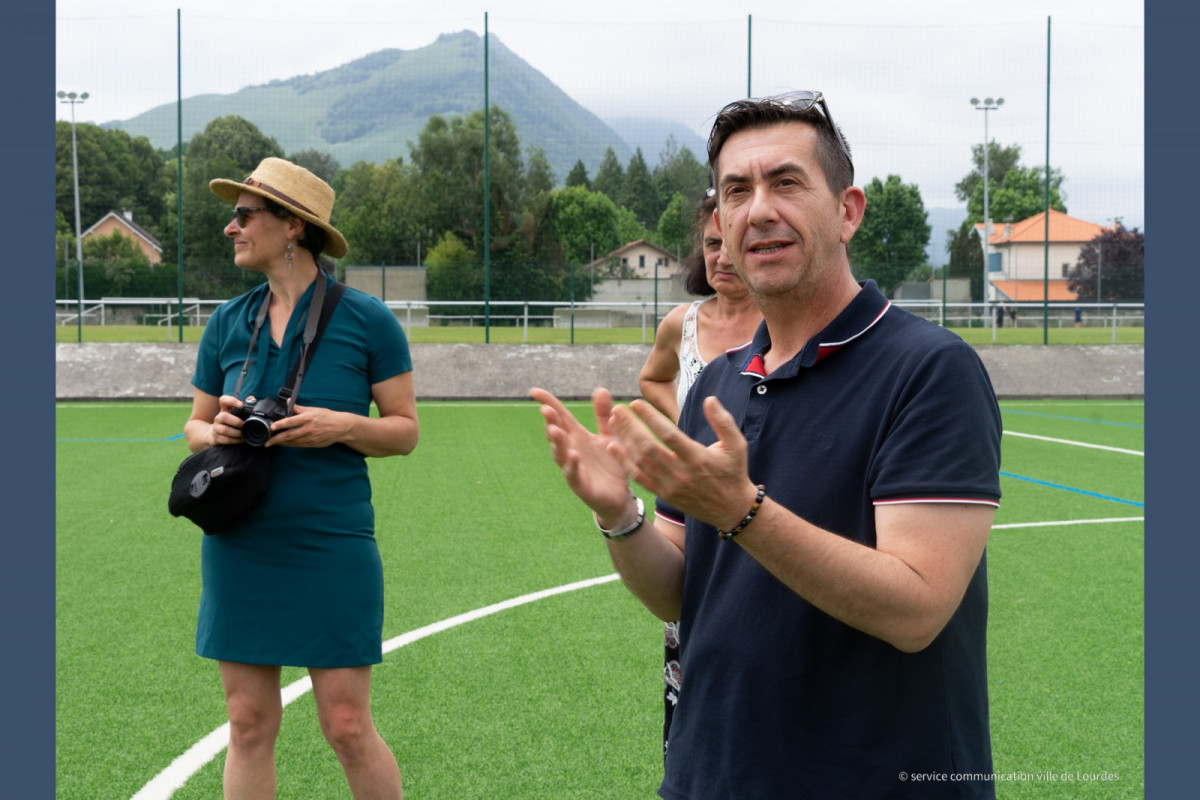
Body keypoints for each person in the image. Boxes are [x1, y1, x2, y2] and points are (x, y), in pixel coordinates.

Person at [532, 91, 1001, 798]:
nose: (759, 210)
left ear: (847, 211)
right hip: (710, 775)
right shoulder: (716, 381)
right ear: (719, 224)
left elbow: (917, 609)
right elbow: (674, 594)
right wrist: (619, 515)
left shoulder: (930, 370)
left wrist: (741, 510)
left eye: (786, 183)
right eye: (737, 191)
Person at [184, 157, 418, 799]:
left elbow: (405, 430)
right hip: (240, 543)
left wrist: (340, 427)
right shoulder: (228, 321)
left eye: (243, 215)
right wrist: (220, 432)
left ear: (292, 227)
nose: (231, 229)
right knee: (247, 722)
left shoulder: (367, 319)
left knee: (346, 724)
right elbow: (194, 429)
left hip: (331, 540)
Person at [636, 191, 762, 757]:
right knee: (690, 627)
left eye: (730, 243)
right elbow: (652, 378)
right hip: (691, 502)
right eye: (711, 244)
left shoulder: (782, 320)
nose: (721, 256)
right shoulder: (681, 323)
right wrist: (686, 427)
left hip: (763, 498)